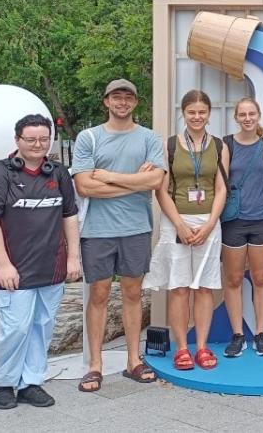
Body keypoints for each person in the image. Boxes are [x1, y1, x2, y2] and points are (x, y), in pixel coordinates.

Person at [0, 114, 81, 410]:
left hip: (52, 267)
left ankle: (31, 382)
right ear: (17, 140)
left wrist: (73, 257)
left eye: (44, 139)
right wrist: (4, 264)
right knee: (15, 329)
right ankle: (4, 382)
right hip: (14, 271)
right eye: (31, 139)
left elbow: (69, 215)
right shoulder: (0, 174)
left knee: (42, 327)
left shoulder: (58, 174)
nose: (37, 144)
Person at [71, 79, 167, 392]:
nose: (122, 102)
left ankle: (133, 360)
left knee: (133, 293)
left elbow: (154, 181)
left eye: (128, 97)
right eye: (116, 97)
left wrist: (110, 177)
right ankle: (95, 365)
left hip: (136, 228)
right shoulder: (89, 138)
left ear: (135, 103)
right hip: (97, 231)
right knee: (98, 293)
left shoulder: (149, 137)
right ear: (106, 101)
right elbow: (84, 186)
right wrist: (134, 181)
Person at [144, 90, 229, 370]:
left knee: (204, 288)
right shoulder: (169, 146)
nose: (197, 117)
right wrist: (179, 224)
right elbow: (161, 189)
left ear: (209, 114)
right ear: (183, 113)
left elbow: (221, 188)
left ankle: (202, 347)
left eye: (202, 112)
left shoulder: (218, 145)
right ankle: (181, 348)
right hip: (175, 221)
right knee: (179, 287)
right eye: (191, 112)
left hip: (208, 221)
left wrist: (210, 223)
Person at [220, 97, 263, 358]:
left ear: (258, 116)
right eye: (242, 114)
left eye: (251, 114)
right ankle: (237, 335)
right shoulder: (227, 144)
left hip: (262, 219)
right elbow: (221, 184)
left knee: (260, 278)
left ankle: (260, 333)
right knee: (234, 279)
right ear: (236, 117)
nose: (247, 118)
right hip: (233, 220)